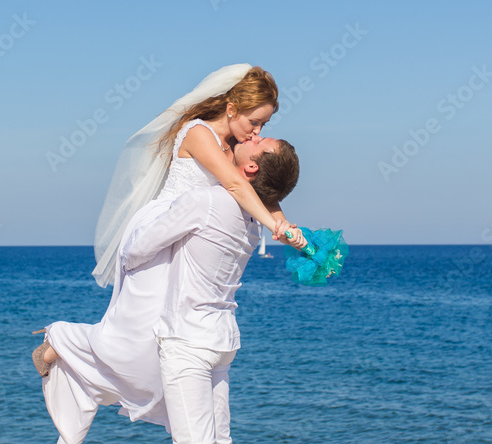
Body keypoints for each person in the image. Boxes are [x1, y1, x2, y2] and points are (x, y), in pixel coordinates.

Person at [34, 65, 306, 443]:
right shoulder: (199, 133)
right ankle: (62, 342)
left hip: (188, 237)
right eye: (255, 123)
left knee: (152, 347)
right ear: (232, 108)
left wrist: (285, 226)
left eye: (263, 126)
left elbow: (255, 187)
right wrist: (273, 225)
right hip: (161, 230)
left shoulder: (236, 149)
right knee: (133, 334)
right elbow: (233, 182)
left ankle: (84, 368)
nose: (257, 132)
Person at [122, 135, 301, 443]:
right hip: (222, 340)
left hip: (188, 339)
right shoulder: (255, 221)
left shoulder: (206, 201)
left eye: (260, 141)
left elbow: (135, 249)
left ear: (251, 167)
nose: (252, 135)